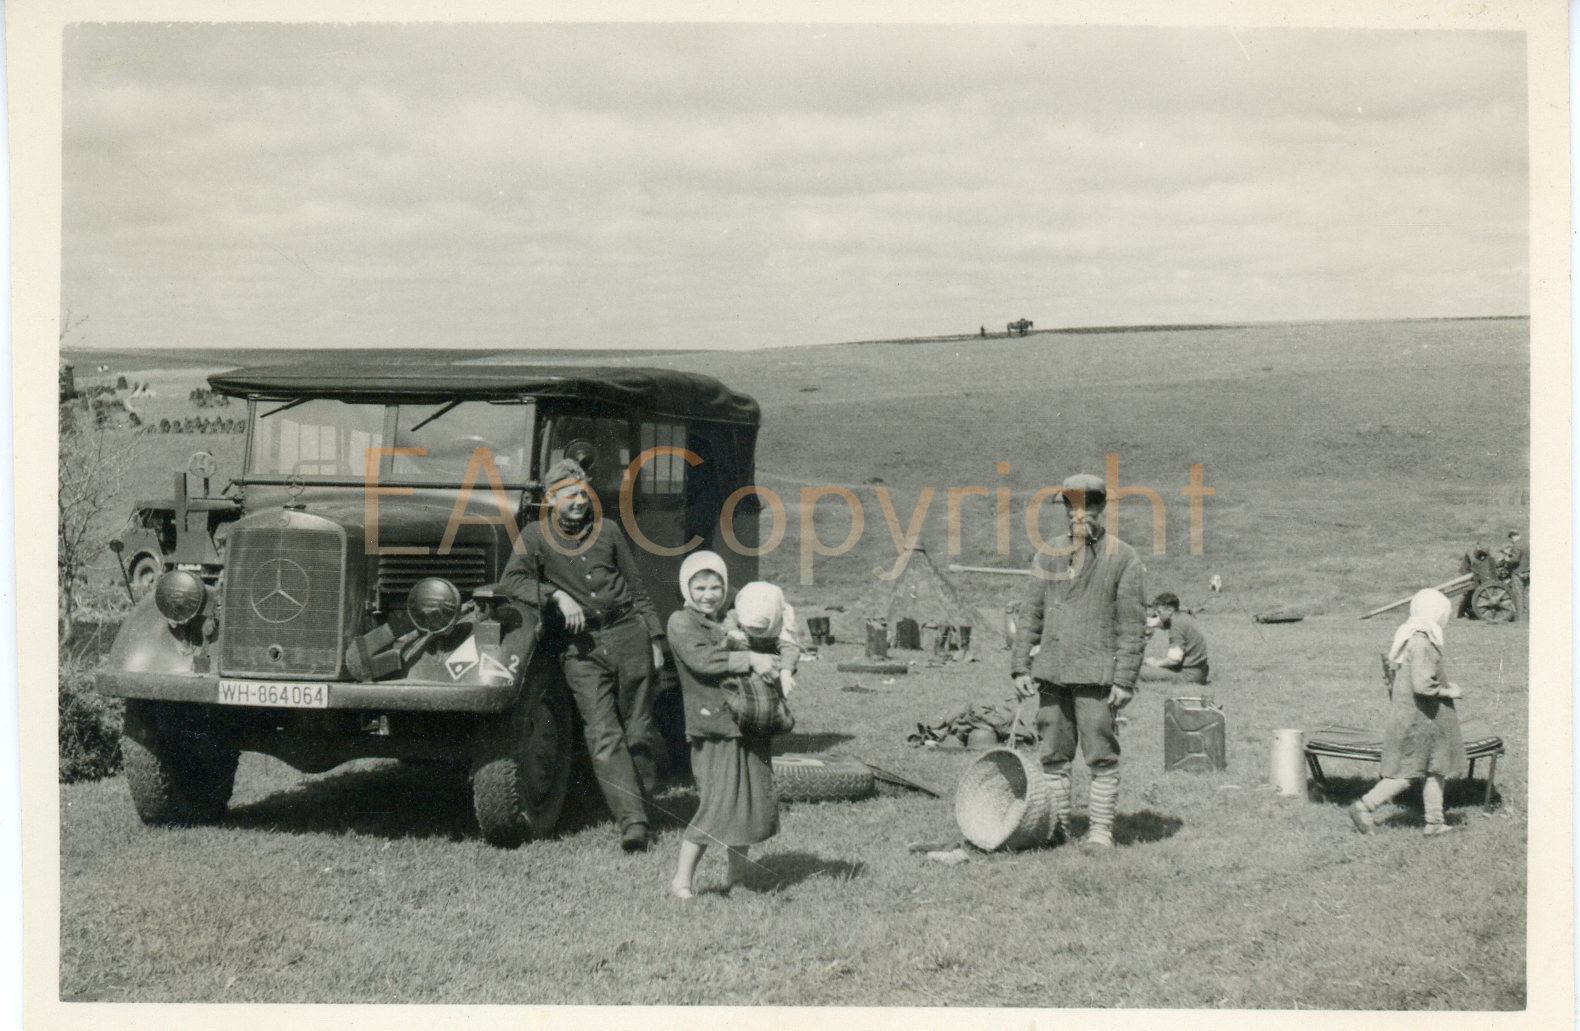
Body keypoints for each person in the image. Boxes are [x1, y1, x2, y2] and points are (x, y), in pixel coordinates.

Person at [498, 457, 665, 853]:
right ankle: (634, 823)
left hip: (628, 636)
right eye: (568, 494)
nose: (578, 501)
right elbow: (511, 580)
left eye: (583, 493)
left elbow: (637, 588)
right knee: (603, 733)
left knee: (639, 731)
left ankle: (644, 804)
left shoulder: (609, 530)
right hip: (581, 649)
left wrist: (656, 640)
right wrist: (556, 595)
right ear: (550, 500)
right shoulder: (534, 535)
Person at [1010, 473, 1148, 849]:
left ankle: (1100, 830)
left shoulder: (1124, 558)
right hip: (1052, 673)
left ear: (1102, 508)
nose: (1079, 514)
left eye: (1088, 506)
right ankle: (1057, 828)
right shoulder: (1047, 554)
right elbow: (1030, 614)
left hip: (1096, 674)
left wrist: (1124, 679)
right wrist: (1020, 666)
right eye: (1071, 506)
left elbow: (1133, 626)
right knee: (1053, 754)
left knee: (1101, 754)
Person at [668, 552, 780, 899]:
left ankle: (737, 877)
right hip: (712, 724)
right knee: (716, 804)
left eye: (716, 587)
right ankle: (682, 880)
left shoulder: (731, 620)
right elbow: (703, 660)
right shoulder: (680, 622)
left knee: (745, 804)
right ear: (686, 589)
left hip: (746, 721)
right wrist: (751, 658)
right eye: (700, 587)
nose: (708, 595)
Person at [1349, 588, 1467, 836]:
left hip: (1422, 716)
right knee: (1410, 771)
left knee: (1434, 768)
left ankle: (1435, 822)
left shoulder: (1412, 635)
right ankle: (1364, 806)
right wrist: (1450, 691)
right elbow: (1423, 685)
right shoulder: (1422, 641)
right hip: (1421, 718)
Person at [1139, 592, 1210, 685]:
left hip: (1189, 675)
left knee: (1140, 671)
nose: (1157, 614)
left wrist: (1155, 663)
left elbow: (1174, 659)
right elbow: (1160, 623)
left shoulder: (1176, 626)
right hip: (1200, 671)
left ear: (1170, 610)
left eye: (1159, 612)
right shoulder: (1183, 616)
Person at [1496, 529, 1529, 622]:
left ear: (1513, 536)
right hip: (1527, 572)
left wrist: (1507, 560)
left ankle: (1519, 618)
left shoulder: (1517, 545)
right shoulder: (1527, 544)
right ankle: (1527, 617)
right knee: (1526, 595)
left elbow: (1515, 560)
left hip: (1518, 573)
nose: (1511, 540)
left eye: (1511, 538)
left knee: (1518, 595)